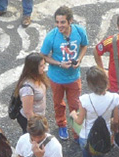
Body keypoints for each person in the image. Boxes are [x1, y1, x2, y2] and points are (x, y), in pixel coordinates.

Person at [72, 66, 119, 157]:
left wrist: (73, 115)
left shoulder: (85, 99)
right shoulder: (115, 98)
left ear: (90, 84)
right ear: (106, 82)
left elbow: (80, 121)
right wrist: (113, 134)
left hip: (86, 136)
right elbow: (116, 120)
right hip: (103, 138)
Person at [40, 5, 88, 141]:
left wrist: (79, 59)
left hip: (74, 77)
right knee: (58, 104)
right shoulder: (51, 37)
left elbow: (84, 46)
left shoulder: (79, 31)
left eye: (62, 22)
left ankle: (76, 130)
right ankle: (61, 124)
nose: (59, 25)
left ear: (70, 21)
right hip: (56, 78)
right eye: (57, 22)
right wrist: (59, 64)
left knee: (75, 105)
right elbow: (43, 55)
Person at [13, 53, 50, 134]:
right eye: (41, 65)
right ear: (33, 68)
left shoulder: (38, 77)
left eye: (44, 64)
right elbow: (28, 112)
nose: (44, 67)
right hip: (31, 120)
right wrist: (38, 128)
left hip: (39, 116)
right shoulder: (27, 88)